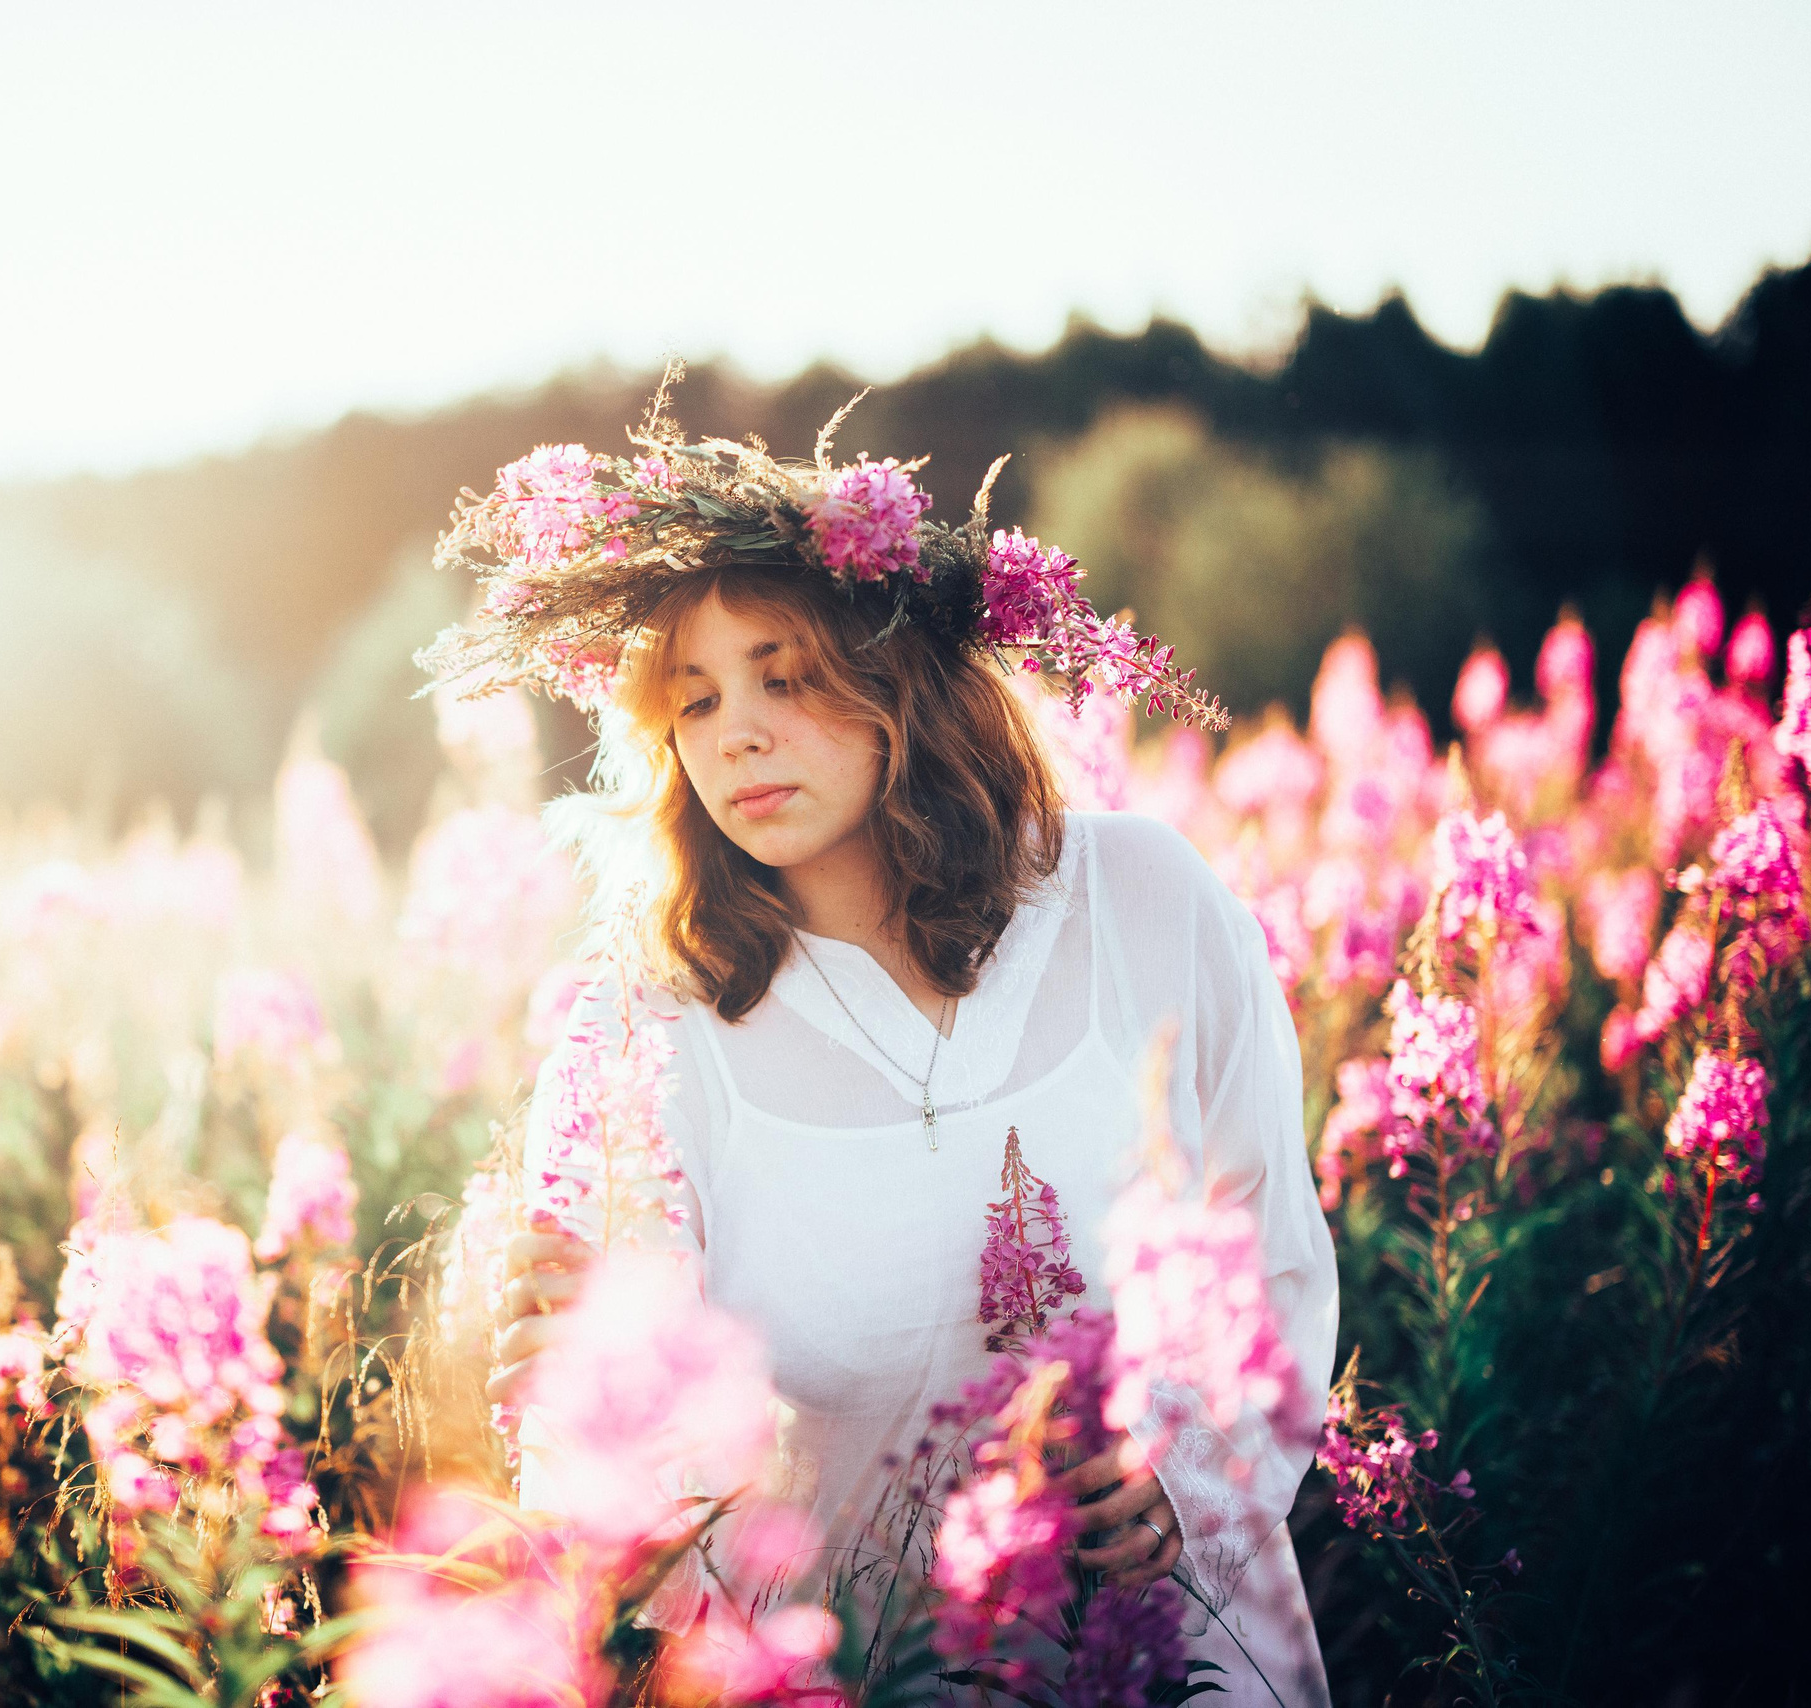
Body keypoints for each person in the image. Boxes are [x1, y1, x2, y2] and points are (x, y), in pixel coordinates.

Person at [431, 371, 1335, 1702]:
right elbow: (625, 1473)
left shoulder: (1142, 900)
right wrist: (590, 1382)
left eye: (785, 676)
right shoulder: (654, 1016)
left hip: (1171, 1656)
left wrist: (1191, 1465)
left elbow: (1271, 1256)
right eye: (695, 699)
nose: (738, 734)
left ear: (898, 680)